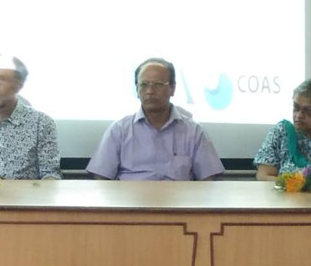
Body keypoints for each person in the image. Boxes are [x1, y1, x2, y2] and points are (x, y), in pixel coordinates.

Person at [87, 57, 225, 180]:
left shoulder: (194, 132)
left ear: (172, 88)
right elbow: (101, 176)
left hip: (178, 200)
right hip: (132, 200)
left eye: (158, 84)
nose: (150, 91)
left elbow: (208, 177)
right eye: (144, 85)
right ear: (137, 90)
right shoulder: (119, 130)